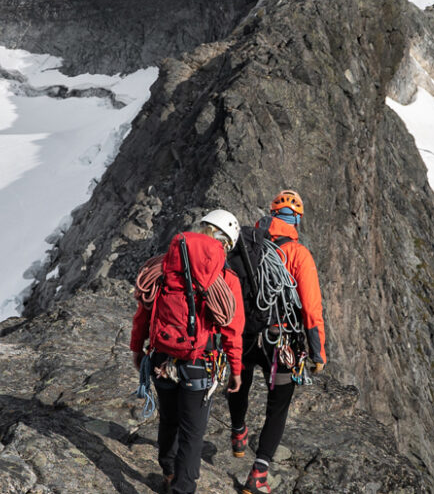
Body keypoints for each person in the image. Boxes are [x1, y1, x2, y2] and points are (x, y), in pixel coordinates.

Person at [131, 209, 245, 494]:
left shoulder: (164, 267)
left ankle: (168, 471)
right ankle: (182, 488)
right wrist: (236, 370)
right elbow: (232, 330)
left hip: (161, 357)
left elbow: (143, 314)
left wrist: (137, 349)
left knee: (169, 419)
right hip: (199, 363)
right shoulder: (226, 279)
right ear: (225, 243)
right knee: (192, 433)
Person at [226, 190, 327, 494]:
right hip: (280, 339)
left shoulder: (247, 246)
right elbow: (310, 307)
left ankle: (238, 431)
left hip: (243, 334)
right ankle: (258, 474)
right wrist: (317, 351)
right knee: (278, 404)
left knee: (238, 383)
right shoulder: (299, 254)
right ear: (296, 220)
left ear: (270, 215)